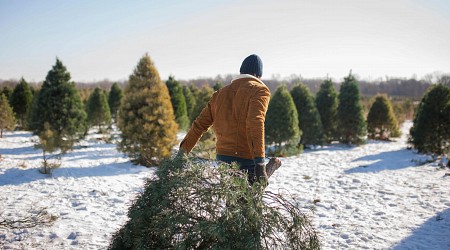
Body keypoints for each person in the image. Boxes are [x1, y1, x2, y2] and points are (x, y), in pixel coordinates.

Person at [179, 54, 271, 185]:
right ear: (258, 75)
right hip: (245, 159)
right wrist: (260, 163)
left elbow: (199, 125)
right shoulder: (260, 90)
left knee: (232, 202)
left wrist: (182, 153)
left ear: (241, 72)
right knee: (245, 203)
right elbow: (255, 122)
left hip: (223, 157)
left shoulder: (220, 93)